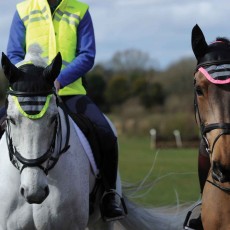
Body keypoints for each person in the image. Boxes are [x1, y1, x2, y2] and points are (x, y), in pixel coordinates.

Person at [5, 0, 124, 221]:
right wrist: (31, 79)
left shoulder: (80, 11)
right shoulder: (23, 10)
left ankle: (108, 196)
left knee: (104, 131)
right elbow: (13, 54)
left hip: (69, 91)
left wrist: (60, 79)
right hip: (32, 94)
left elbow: (86, 55)